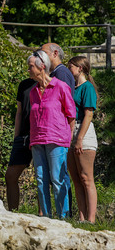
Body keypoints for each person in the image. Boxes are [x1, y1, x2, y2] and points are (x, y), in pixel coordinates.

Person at [28, 50, 76, 219]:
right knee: (41, 180)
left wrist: (68, 139)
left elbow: (71, 115)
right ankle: (46, 217)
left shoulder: (61, 86)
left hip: (57, 139)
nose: (28, 70)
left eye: (31, 66)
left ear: (42, 66)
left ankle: (64, 217)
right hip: (37, 139)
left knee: (57, 179)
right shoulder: (32, 92)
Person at [67, 56, 99, 223]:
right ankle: (81, 217)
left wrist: (79, 139)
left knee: (87, 178)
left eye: (70, 66)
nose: (68, 69)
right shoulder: (72, 87)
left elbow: (89, 114)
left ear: (79, 68)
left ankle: (91, 218)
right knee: (76, 178)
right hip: (70, 132)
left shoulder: (87, 88)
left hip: (83, 133)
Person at [4, 78, 37, 211]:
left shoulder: (49, 83)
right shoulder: (24, 84)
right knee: (10, 176)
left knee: (42, 176)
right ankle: (13, 213)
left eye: (31, 66)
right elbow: (19, 112)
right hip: (23, 136)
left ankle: (44, 214)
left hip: (41, 134)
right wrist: (16, 136)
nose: (29, 68)